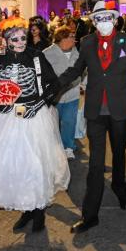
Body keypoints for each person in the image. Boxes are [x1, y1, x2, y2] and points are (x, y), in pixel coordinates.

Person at [53, 0, 126, 234]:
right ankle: (90, 215)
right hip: (96, 111)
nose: (104, 22)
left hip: (119, 110)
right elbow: (76, 70)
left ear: (115, 19)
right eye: (99, 18)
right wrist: (52, 86)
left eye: (108, 17)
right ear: (94, 21)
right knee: (96, 164)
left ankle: (120, 187)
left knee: (119, 152)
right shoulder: (87, 43)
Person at [0, 25, 69, 233]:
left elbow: (54, 84)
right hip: (7, 120)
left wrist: (36, 105)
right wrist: (4, 104)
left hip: (35, 117)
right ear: (7, 40)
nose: (20, 42)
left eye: (23, 38)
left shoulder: (36, 57)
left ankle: (38, 212)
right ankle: (26, 208)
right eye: (15, 39)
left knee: (36, 165)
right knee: (16, 167)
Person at [42, 26, 81, 159]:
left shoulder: (77, 53)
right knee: (53, 124)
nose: (74, 39)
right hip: (55, 96)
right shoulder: (47, 53)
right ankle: (53, 147)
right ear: (62, 38)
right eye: (71, 36)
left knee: (69, 122)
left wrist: (85, 85)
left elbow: (84, 71)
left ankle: (68, 147)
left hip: (72, 94)